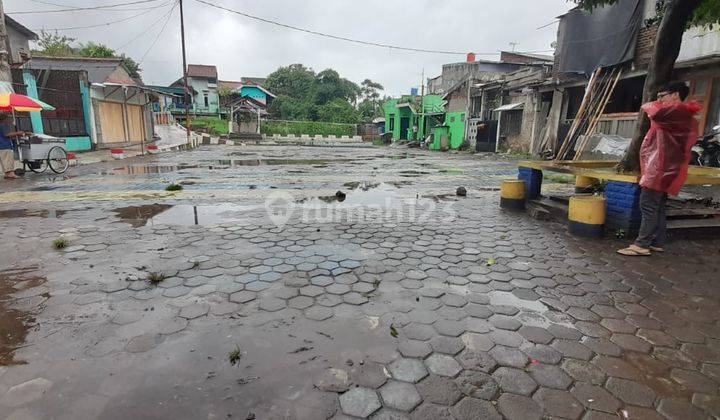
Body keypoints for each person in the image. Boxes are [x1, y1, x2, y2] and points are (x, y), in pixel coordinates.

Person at [618, 81, 701, 256]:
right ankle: (656, 241)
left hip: (659, 168)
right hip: (665, 168)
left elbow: (651, 109)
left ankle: (642, 244)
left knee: (647, 205)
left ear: (675, 95)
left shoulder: (675, 112)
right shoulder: (681, 114)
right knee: (658, 206)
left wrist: (653, 102)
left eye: (662, 96)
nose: (659, 100)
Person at [0, 113, 26, 180]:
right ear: (4, 119)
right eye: (7, 118)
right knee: (8, 160)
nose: (8, 120)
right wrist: (18, 133)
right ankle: (11, 174)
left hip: (2, 146)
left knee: (5, 161)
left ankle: (7, 174)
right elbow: (7, 134)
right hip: (5, 145)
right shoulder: (2, 125)